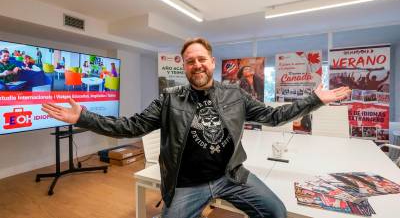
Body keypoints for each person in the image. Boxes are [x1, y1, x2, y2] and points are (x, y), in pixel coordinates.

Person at [42, 37, 351, 218]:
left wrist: (313, 100)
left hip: (231, 176)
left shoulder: (235, 95)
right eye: (190, 61)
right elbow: (129, 126)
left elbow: (273, 117)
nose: (197, 65)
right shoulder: (169, 99)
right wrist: (84, 117)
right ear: (184, 66)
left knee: (276, 212)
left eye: (201, 59)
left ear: (212, 62)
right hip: (188, 184)